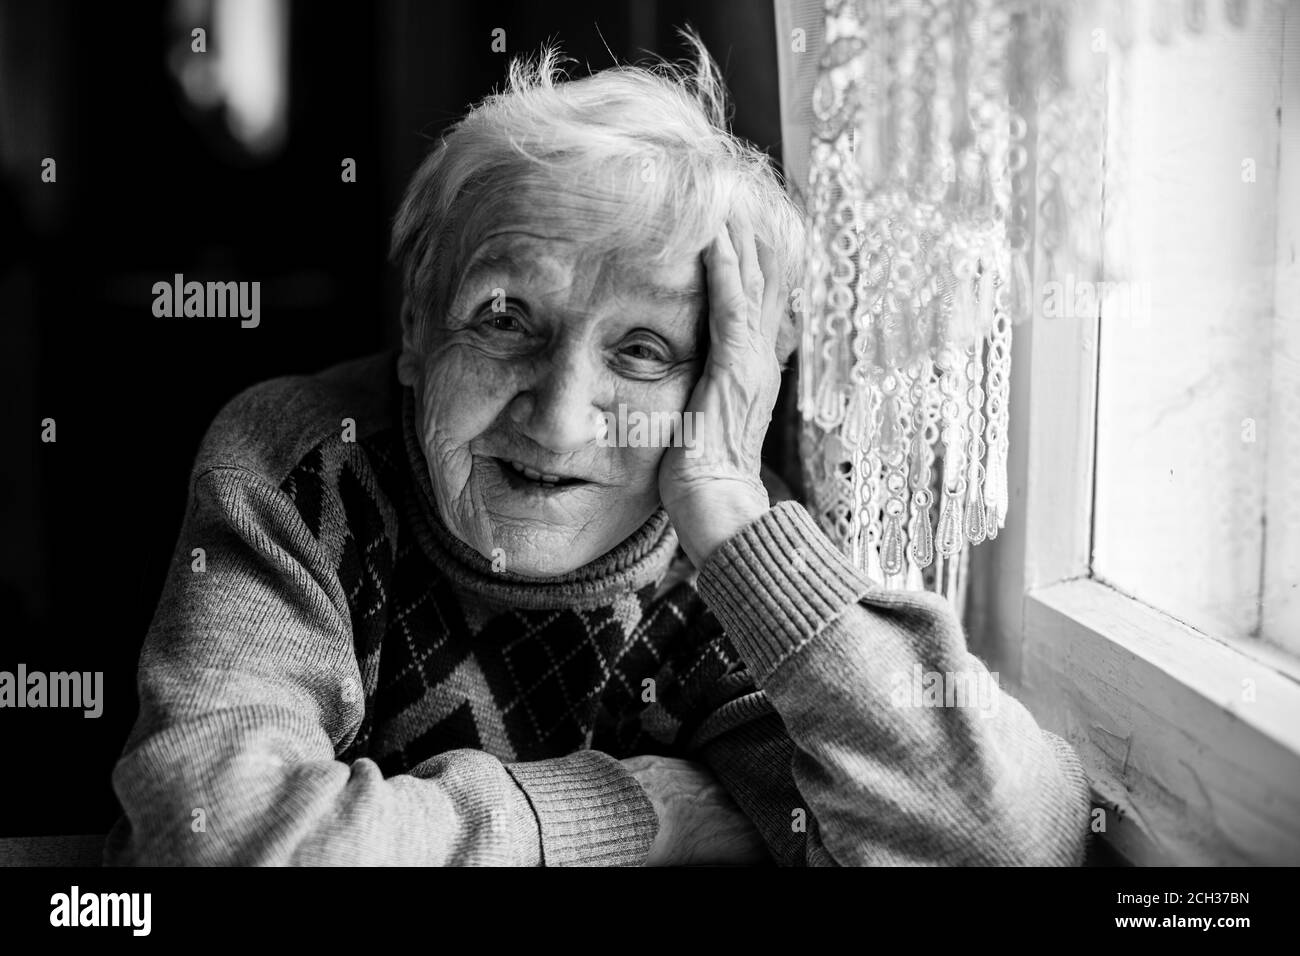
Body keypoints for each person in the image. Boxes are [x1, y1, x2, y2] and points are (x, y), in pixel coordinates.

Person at [104, 36, 1091, 866]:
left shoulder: (726, 581)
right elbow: (218, 838)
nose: (561, 417)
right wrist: (633, 812)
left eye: (643, 350)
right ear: (415, 329)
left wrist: (730, 507)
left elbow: (1004, 845)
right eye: (505, 318)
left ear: (721, 387)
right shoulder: (306, 468)